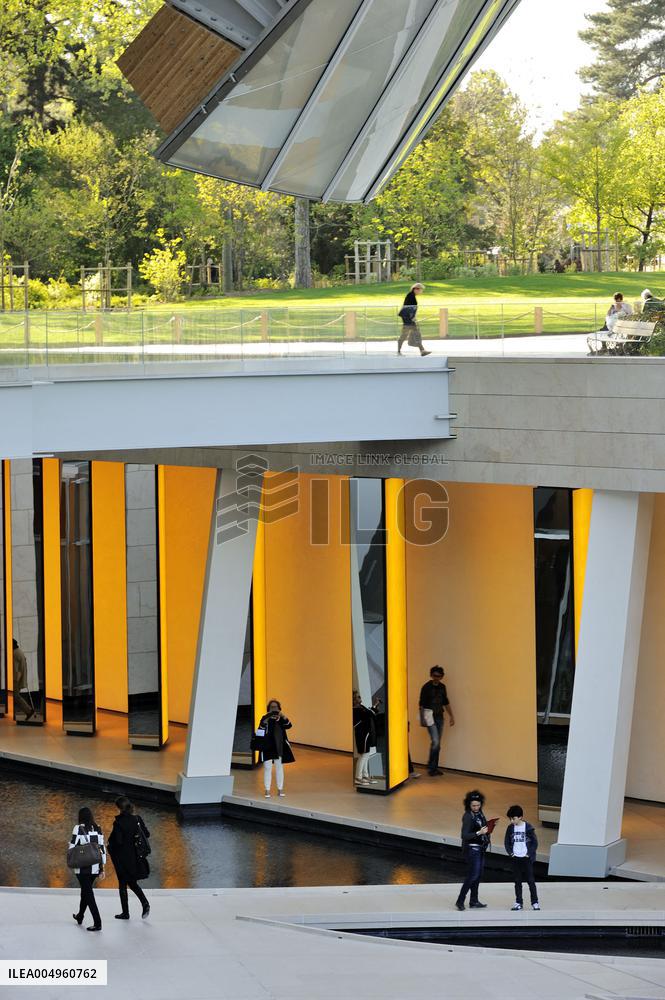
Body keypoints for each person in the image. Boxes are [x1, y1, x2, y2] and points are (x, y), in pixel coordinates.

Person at [108, 795, 151, 920]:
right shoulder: (137, 819)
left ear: (119, 808)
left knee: (123, 884)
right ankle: (145, 903)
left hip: (123, 859)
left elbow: (118, 841)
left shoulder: (118, 822)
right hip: (136, 858)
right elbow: (146, 834)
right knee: (132, 883)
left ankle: (126, 913)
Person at [70, 806, 106, 932]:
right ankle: (80, 916)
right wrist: (102, 868)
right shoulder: (98, 828)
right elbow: (102, 849)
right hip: (95, 866)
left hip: (82, 867)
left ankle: (98, 922)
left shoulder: (78, 828)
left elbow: (72, 846)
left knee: (88, 893)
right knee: (85, 891)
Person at [455, 790, 490, 911]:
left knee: (478, 875)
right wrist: (479, 832)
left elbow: (483, 826)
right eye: (474, 805)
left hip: (480, 848)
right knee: (472, 875)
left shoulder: (480, 814)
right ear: (469, 805)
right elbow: (464, 835)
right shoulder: (468, 816)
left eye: (478, 805)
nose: (476, 807)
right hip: (472, 849)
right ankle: (460, 900)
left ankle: (474, 900)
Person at [419, 665, 455, 776]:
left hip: (440, 717)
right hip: (429, 717)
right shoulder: (426, 687)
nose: (436, 678)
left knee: (437, 744)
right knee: (435, 742)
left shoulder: (443, 687)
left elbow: (446, 702)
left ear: (442, 677)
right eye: (435, 676)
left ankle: (433, 768)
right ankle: (431, 765)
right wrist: (422, 719)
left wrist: (452, 716)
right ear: (431, 675)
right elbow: (421, 704)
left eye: (439, 676)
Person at [504, 804, 540, 911]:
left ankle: (535, 902)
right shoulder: (510, 828)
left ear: (520, 817)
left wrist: (529, 854)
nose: (511, 821)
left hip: (526, 858)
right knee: (517, 881)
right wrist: (511, 853)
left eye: (513, 818)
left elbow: (534, 842)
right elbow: (506, 842)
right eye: (510, 819)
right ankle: (519, 902)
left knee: (530, 881)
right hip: (516, 858)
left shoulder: (528, 827)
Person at [257, 699, 295, 798]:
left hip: (279, 747)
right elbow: (260, 729)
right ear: (268, 709)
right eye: (272, 707)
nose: (274, 709)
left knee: (279, 768)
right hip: (267, 748)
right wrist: (266, 720)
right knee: (267, 768)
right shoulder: (265, 718)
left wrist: (282, 716)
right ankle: (267, 790)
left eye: (276, 707)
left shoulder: (281, 719)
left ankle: (280, 789)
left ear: (279, 709)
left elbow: (289, 725)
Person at [353, 690, 380, 785]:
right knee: (363, 756)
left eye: (359, 696)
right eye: (357, 697)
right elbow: (370, 714)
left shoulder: (361, 707)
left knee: (366, 755)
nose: (360, 698)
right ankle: (358, 778)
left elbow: (372, 713)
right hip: (362, 735)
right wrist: (374, 705)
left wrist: (375, 705)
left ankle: (365, 776)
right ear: (354, 700)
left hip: (367, 734)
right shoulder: (356, 710)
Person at [398, 283, 431, 356]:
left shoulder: (411, 296)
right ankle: (422, 350)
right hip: (408, 319)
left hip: (408, 318)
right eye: (421, 290)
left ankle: (422, 350)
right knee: (411, 334)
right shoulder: (410, 296)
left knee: (410, 334)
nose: (421, 291)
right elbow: (408, 308)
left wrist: (413, 317)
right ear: (416, 289)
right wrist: (412, 318)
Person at [13, 638, 35, 721]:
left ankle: (28, 711)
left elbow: (15, 668)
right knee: (15, 696)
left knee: (16, 696)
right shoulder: (19, 651)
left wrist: (14, 679)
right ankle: (28, 711)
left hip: (16, 678)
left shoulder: (15, 653)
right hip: (19, 677)